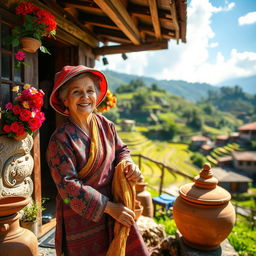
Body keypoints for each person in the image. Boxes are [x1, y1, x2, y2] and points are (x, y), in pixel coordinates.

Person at [46, 65, 149, 256]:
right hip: (82, 220)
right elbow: (69, 186)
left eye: (90, 91)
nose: (85, 97)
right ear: (65, 100)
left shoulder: (105, 125)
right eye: (77, 92)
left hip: (116, 207)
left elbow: (122, 150)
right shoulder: (60, 140)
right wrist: (109, 208)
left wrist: (129, 164)